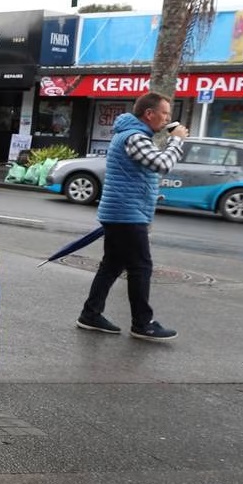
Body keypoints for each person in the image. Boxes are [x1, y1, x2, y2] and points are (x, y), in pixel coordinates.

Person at [77, 92, 187, 341]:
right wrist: (177, 141)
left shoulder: (134, 136)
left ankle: (90, 314)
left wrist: (148, 195)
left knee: (112, 266)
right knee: (141, 266)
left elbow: (135, 173)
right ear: (149, 114)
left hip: (123, 211)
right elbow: (161, 165)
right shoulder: (135, 137)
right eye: (165, 113)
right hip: (126, 214)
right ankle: (142, 323)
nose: (168, 118)